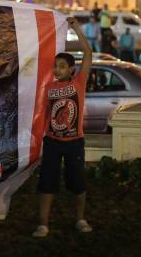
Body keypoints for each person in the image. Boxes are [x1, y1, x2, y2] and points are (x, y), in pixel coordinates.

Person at [33, 17, 93, 238]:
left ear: (71, 69)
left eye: (61, 66)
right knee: (47, 183)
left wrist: (76, 28)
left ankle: (80, 219)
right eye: (55, 66)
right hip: (52, 143)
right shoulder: (48, 87)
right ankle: (43, 224)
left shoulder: (79, 82)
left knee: (77, 183)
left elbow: (88, 53)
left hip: (75, 143)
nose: (56, 70)